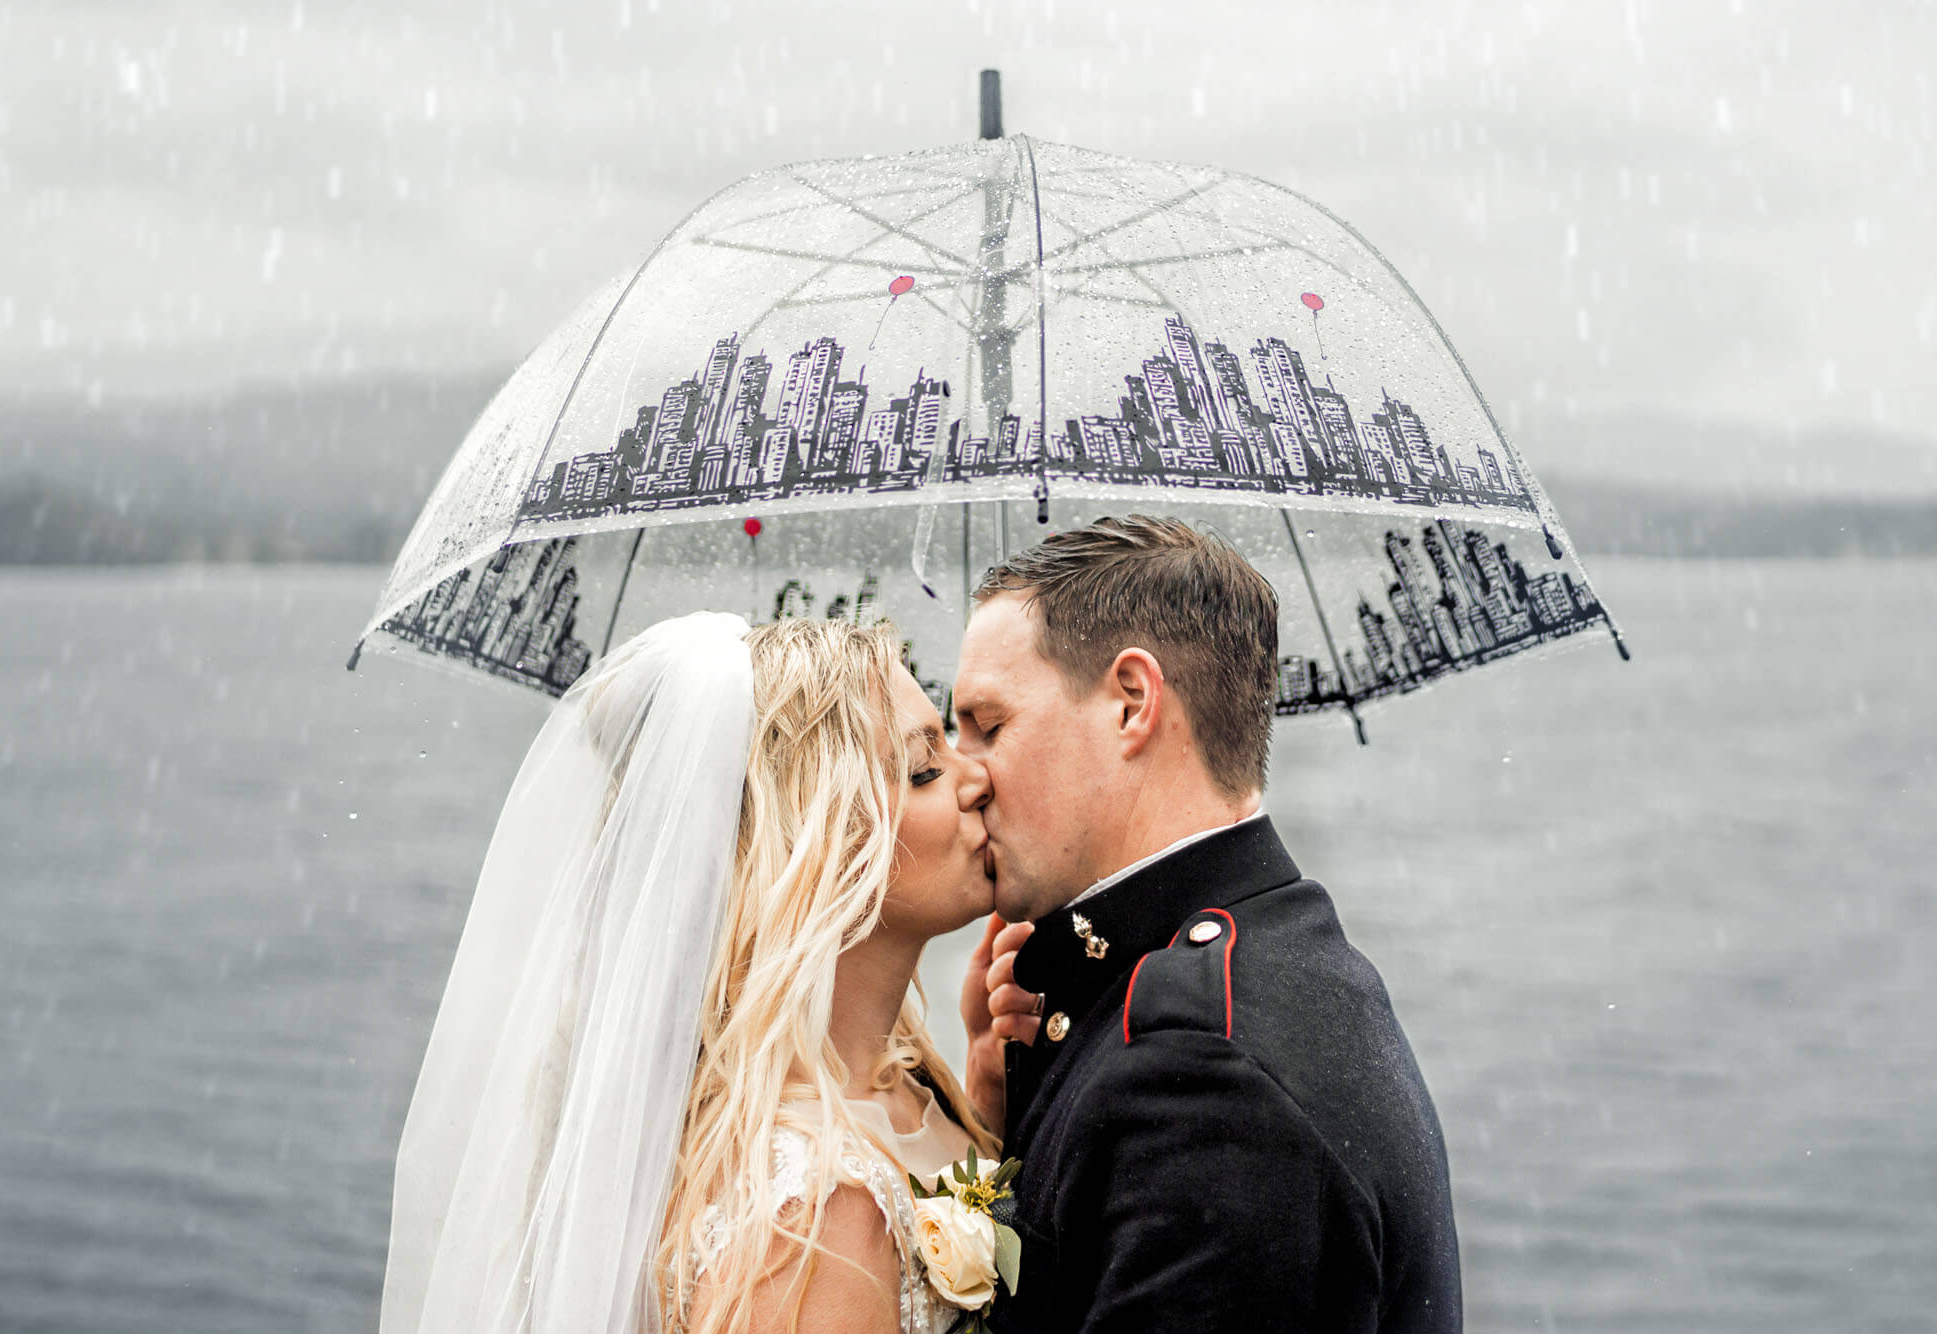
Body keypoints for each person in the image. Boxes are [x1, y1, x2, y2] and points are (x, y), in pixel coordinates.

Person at [380, 612, 1007, 1334]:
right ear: (816, 841)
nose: (977, 776)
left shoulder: (895, 1079)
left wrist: (987, 1096)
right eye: (924, 768)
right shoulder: (812, 1217)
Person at [956, 515, 1464, 1332]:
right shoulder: (1278, 966)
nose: (963, 777)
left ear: (1131, 704)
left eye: (989, 725)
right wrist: (999, 1108)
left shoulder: (1203, 1084)